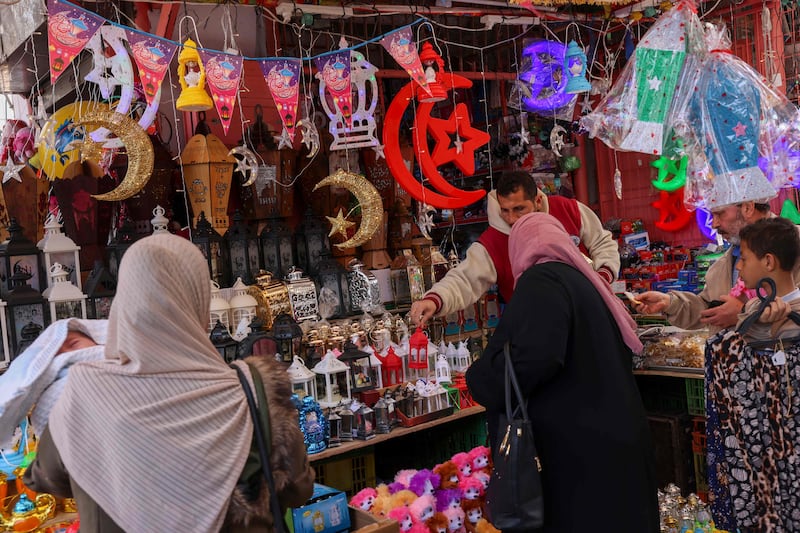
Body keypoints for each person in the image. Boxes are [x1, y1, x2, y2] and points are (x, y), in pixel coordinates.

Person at [24, 234, 314, 532]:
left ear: (124, 302)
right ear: (198, 299)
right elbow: (298, 489)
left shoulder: (84, 392)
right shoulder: (253, 390)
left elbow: (45, 477)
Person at [466, 213, 658, 532]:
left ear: (521, 247)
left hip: (578, 456)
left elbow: (535, 357)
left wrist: (480, 378)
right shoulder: (585, 281)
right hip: (612, 445)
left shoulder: (542, 281)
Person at [411, 170, 619, 326]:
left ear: (537, 201)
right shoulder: (493, 241)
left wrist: (603, 276)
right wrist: (435, 299)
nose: (512, 219)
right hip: (537, 325)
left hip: (588, 312)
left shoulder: (568, 209)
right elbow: (465, 279)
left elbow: (602, 242)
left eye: (519, 209)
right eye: (505, 211)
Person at [634, 200, 800, 332]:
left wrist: (745, 313)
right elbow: (710, 307)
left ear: (748, 207)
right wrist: (670, 303)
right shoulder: (724, 263)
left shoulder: (794, 245)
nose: (714, 224)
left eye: (719, 214)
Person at [0, 318, 106, 445]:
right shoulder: (51, 397)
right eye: (57, 356)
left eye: (73, 344)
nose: (68, 355)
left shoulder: (127, 362)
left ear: (96, 339)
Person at [733, 217, 800, 341]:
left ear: (768, 262)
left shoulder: (795, 318)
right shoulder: (752, 307)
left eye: (743, 259)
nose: (738, 266)